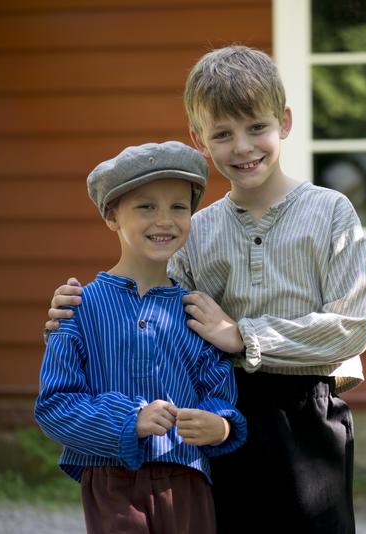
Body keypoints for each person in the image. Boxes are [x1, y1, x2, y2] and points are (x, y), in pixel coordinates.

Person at [45, 45, 366, 534]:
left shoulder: (331, 213)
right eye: (223, 134)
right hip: (224, 409)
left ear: (283, 122)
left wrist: (245, 335)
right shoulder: (195, 229)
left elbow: (350, 328)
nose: (242, 147)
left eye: (256, 128)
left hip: (309, 410)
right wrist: (78, 311)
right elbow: (156, 312)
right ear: (200, 140)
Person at [35, 141, 247, 534]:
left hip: (188, 481)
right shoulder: (79, 308)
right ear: (113, 216)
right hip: (112, 481)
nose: (164, 220)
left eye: (178, 207)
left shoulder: (198, 311)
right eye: (146, 206)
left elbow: (219, 393)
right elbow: (55, 406)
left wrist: (221, 426)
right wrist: (128, 419)